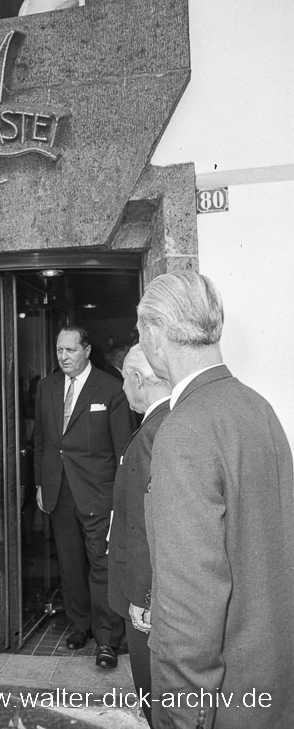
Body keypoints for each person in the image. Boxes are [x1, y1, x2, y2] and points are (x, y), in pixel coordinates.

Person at [137, 272, 294, 729]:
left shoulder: (184, 429)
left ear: (155, 332)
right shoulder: (258, 407)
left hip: (227, 703)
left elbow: (189, 607)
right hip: (272, 684)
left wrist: (180, 718)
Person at [34, 326, 132, 668]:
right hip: (59, 492)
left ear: (86, 350)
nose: (63, 357)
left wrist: (121, 503)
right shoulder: (46, 387)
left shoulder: (111, 388)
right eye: (59, 350)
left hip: (99, 495)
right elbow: (43, 443)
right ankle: (80, 625)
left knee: (102, 566)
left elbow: (124, 452)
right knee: (70, 564)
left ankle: (107, 639)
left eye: (70, 350)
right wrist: (40, 485)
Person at [107, 345, 171, 727]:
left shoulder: (151, 431)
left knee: (153, 695)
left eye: (124, 378)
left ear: (137, 379)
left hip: (146, 598)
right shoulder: (164, 420)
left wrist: (141, 597)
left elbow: (145, 523)